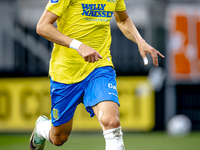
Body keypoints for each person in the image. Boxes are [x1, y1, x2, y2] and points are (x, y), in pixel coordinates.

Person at [29, 0, 165, 150]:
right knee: (58, 137)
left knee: (112, 123)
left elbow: (123, 19)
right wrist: (78, 45)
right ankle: (41, 127)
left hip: (99, 66)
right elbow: (42, 27)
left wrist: (140, 41)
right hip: (66, 72)